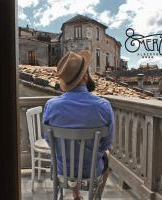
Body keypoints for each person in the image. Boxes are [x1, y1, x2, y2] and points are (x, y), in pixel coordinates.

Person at [43, 50, 115, 200]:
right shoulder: (104, 106)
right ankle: (95, 197)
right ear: (86, 76)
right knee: (106, 156)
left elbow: (49, 140)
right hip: (92, 170)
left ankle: (76, 196)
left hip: (63, 170)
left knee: (69, 153)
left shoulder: (51, 106)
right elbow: (106, 143)